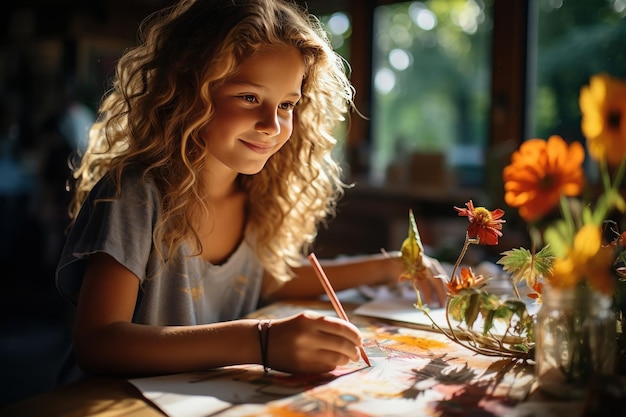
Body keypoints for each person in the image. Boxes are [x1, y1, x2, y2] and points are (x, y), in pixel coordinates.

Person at [55, 0, 446, 384]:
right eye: (249, 97)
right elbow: (98, 343)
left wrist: (388, 266)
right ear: (189, 91)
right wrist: (260, 341)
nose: (272, 125)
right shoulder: (134, 194)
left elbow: (268, 280)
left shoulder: (257, 192)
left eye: (288, 104)